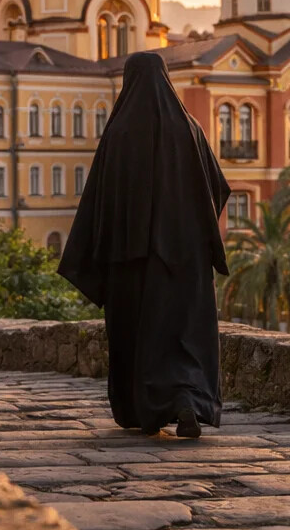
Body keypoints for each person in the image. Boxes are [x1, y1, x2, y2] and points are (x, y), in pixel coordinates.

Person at [56, 51, 231, 438]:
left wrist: (106, 247)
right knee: (184, 334)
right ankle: (188, 399)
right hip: (186, 261)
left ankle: (147, 408)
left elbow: (97, 200)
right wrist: (189, 230)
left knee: (140, 336)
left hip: (130, 263)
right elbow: (218, 186)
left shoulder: (118, 134)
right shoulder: (190, 128)